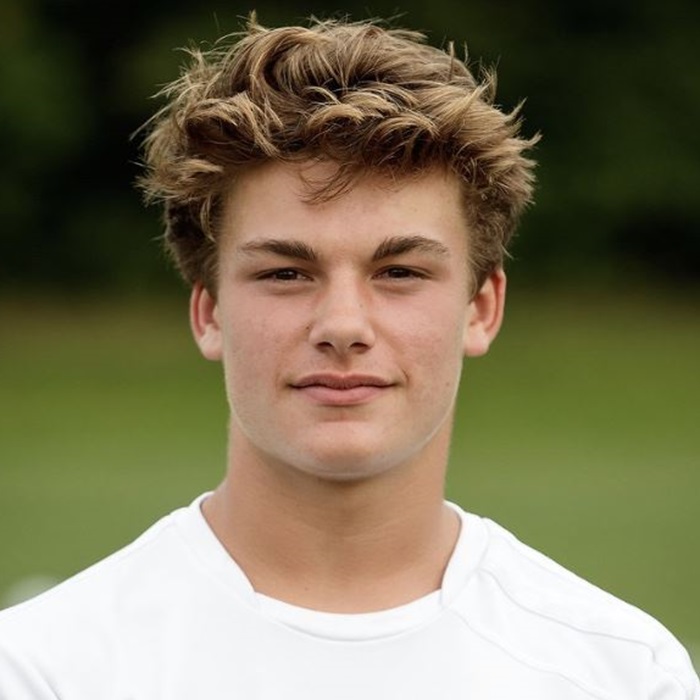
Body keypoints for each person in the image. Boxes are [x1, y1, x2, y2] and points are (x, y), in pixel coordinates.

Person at [0, 15, 697, 699]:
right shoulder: (43, 670)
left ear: (481, 308)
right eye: (285, 273)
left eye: (399, 272)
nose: (342, 325)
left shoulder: (624, 674)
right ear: (208, 312)